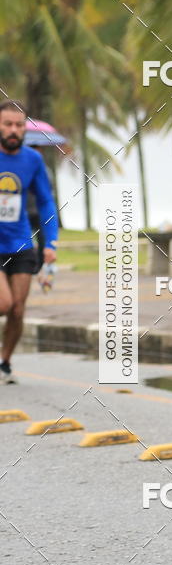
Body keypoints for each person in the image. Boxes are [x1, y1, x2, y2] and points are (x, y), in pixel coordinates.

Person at [0, 100, 58, 384]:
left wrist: (52, 242)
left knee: (18, 308)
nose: (13, 130)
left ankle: (5, 362)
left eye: (19, 125)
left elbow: (46, 201)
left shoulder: (32, 160)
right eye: (8, 124)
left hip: (21, 242)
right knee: (3, 303)